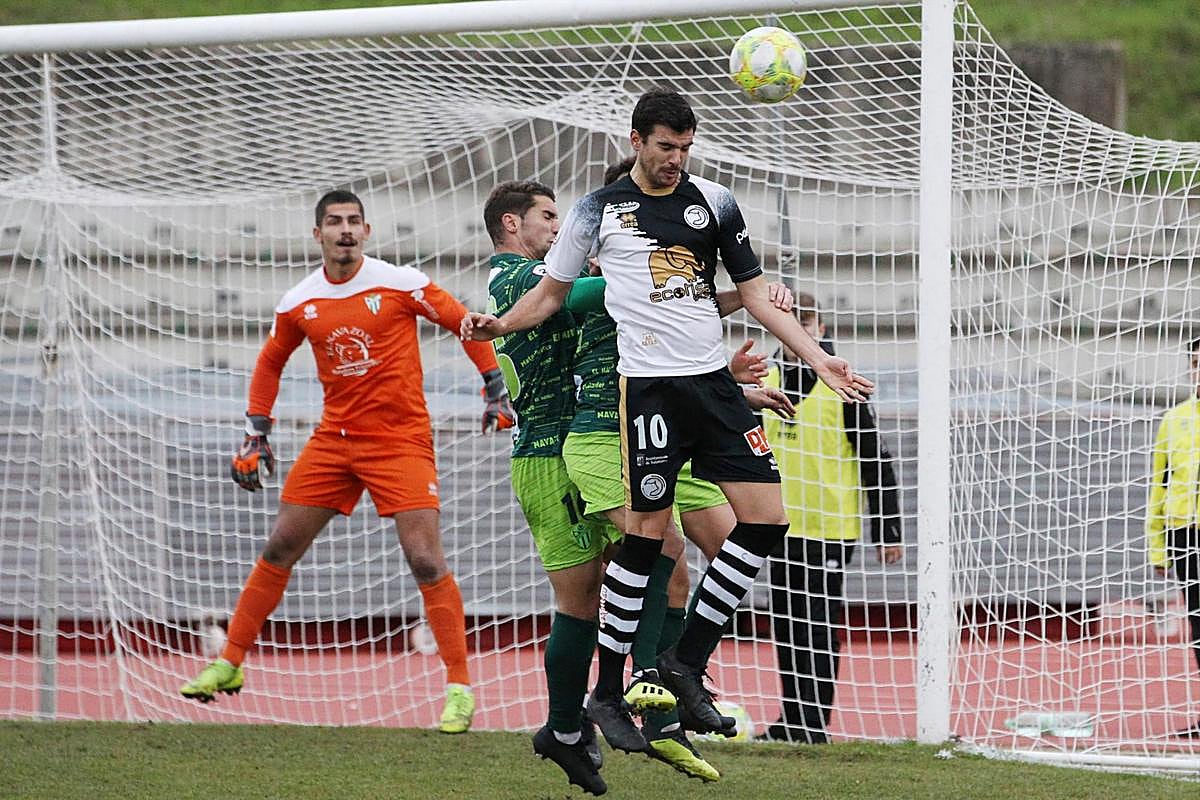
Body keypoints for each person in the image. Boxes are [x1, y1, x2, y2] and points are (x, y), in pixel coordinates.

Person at [462, 88, 873, 735]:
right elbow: (549, 295)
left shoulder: (714, 202)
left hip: (709, 388)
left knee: (766, 522)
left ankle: (684, 662)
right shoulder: (598, 210)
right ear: (636, 141)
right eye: (664, 147)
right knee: (650, 541)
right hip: (648, 391)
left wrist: (820, 359)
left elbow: (757, 297)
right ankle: (608, 690)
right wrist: (498, 324)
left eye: (684, 148)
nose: (675, 160)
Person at [180, 190, 511, 737]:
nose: (345, 230)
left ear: (368, 230)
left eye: (354, 221)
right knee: (280, 546)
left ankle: (459, 688)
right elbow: (269, 363)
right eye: (335, 223)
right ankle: (230, 661)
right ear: (318, 235)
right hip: (334, 440)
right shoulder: (298, 301)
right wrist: (254, 433)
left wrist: (494, 389)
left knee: (425, 559)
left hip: (400, 440)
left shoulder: (400, 282)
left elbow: (464, 323)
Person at [565, 155, 795, 781]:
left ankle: (671, 679)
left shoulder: (672, 248)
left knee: (735, 536)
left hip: (693, 397)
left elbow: (680, 303)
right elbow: (600, 296)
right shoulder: (594, 282)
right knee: (644, 550)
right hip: (611, 424)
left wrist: (738, 377)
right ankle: (603, 701)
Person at [756, 294, 902, 744]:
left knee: (818, 624)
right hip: (778, 527)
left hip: (830, 528)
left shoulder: (843, 385)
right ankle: (791, 720)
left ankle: (814, 725)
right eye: (790, 323)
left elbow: (876, 460)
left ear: (820, 328)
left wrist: (888, 529)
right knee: (786, 624)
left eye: (807, 323)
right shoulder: (765, 383)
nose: (800, 331)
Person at [1146, 336, 1200, 739]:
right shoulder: (1175, 418)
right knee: (1199, 629)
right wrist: (1158, 546)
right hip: (1186, 537)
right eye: (1195, 362)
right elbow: (1159, 488)